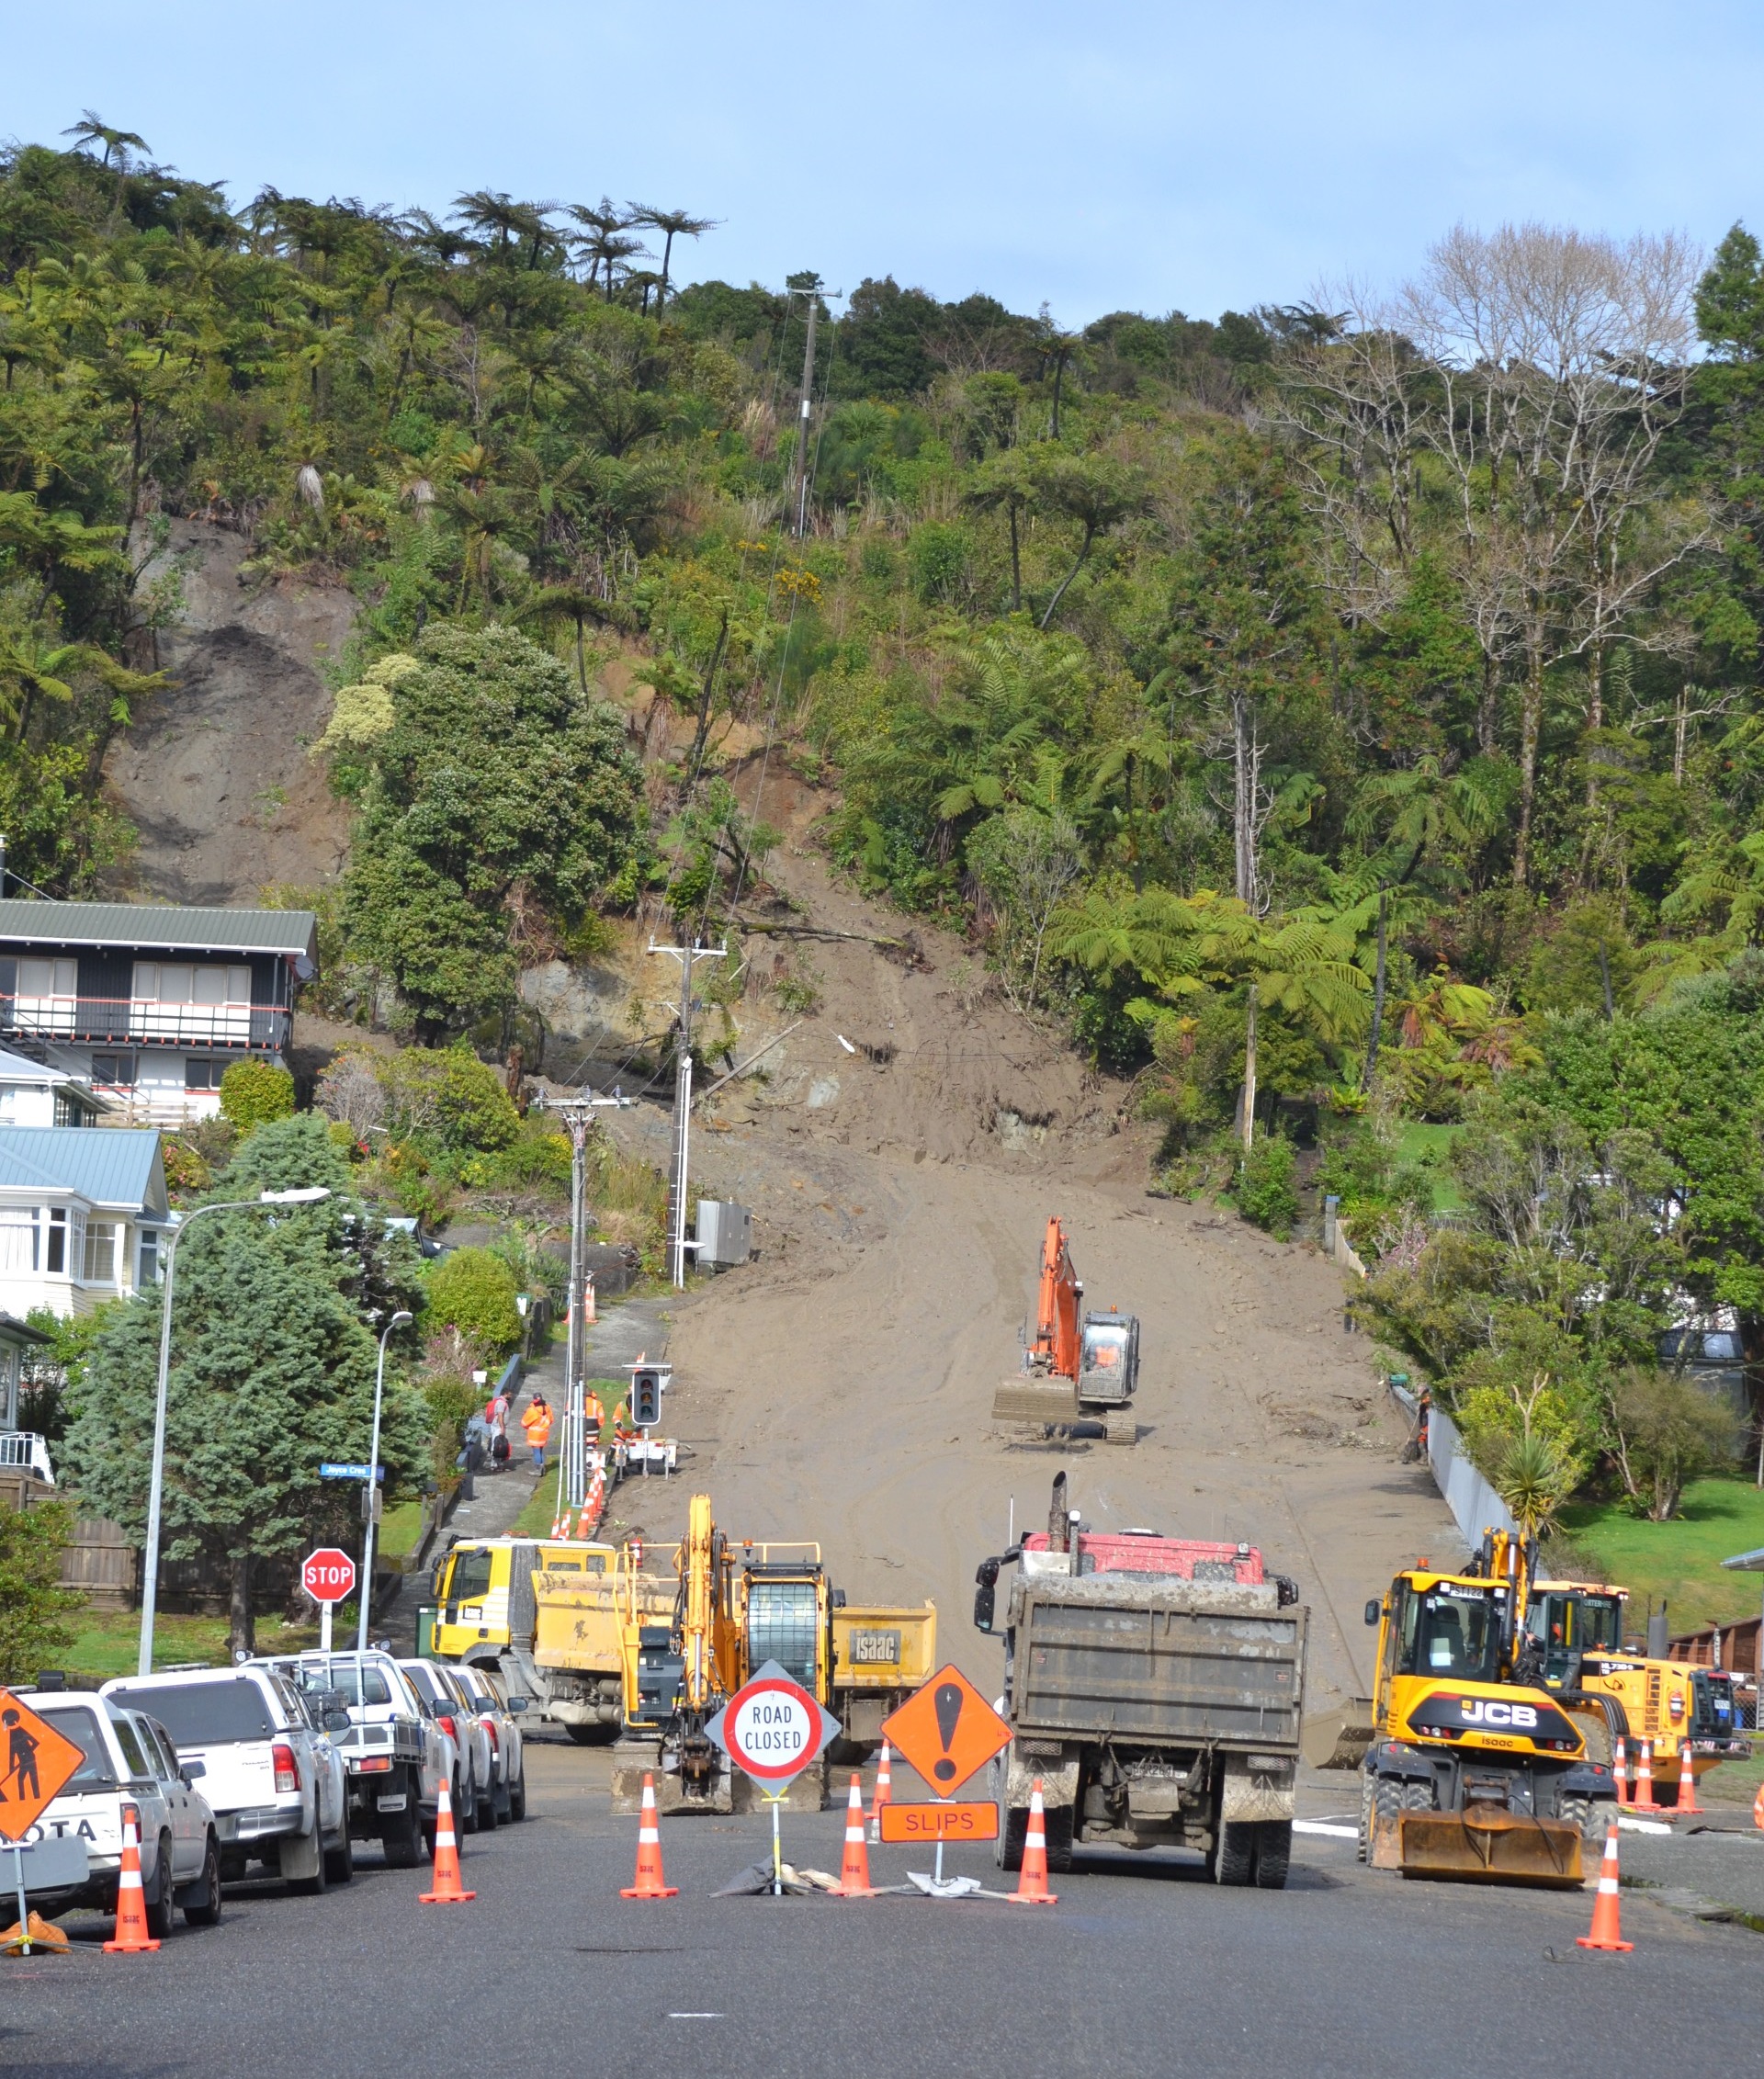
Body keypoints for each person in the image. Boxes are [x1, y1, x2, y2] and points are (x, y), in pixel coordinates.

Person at [521, 1393, 553, 1473]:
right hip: (544, 1433)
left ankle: (538, 1470)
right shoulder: (548, 1408)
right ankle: (542, 1468)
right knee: (540, 1450)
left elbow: (524, 1423)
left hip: (534, 1434)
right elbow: (551, 1420)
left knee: (536, 1451)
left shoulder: (532, 1410)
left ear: (534, 1399)